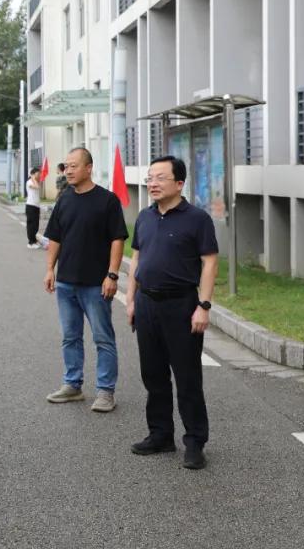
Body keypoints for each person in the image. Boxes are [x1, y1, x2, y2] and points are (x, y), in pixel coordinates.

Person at [126, 155, 218, 470]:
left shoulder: (197, 219)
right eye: (150, 178)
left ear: (179, 183)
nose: (153, 183)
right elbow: (136, 259)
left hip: (181, 306)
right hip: (147, 304)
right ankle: (160, 435)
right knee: (153, 375)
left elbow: (210, 262)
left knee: (187, 378)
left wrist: (203, 306)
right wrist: (131, 300)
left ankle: (195, 442)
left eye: (160, 178)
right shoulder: (145, 216)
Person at [43, 147, 127, 413]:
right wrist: (50, 269)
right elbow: (55, 237)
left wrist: (112, 274)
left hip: (95, 284)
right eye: (66, 166)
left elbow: (117, 239)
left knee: (103, 338)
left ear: (88, 168)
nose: (68, 171)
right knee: (70, 337)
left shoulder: (107, 200)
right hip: (66, 282)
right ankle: (72, 385)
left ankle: (106, 391)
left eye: (73, 166)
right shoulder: (64, 199)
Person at [25, 167, 42, 249]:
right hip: (30, 206)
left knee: (36, 225)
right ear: (33, 174)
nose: (39, 175)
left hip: (36, 206)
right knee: (31, 225)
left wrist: (35, 178)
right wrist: (33, 178)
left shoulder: (37, 181)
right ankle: (30, 242)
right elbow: (37, 187)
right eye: (38, 174)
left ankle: (34, 240)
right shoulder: (29, 182)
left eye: (39, 174)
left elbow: (38, 186)